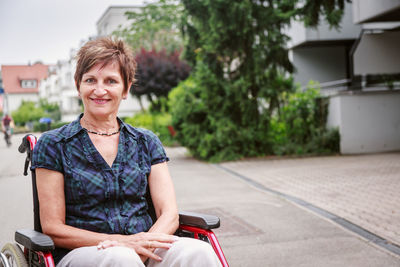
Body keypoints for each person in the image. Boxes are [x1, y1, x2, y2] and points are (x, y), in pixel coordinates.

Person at [32, 37, 222, 267]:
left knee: (198, 252)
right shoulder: (54, 144)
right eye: (90, 80)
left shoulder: (146, 142)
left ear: (126, 88)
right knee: (121, 258)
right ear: (78, 86)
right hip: (85, 251)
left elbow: (168, 213)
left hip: (144, 247)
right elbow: (53, 228)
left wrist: (144, 244)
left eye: (111, 81)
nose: (99, 90)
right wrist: (122, 243)